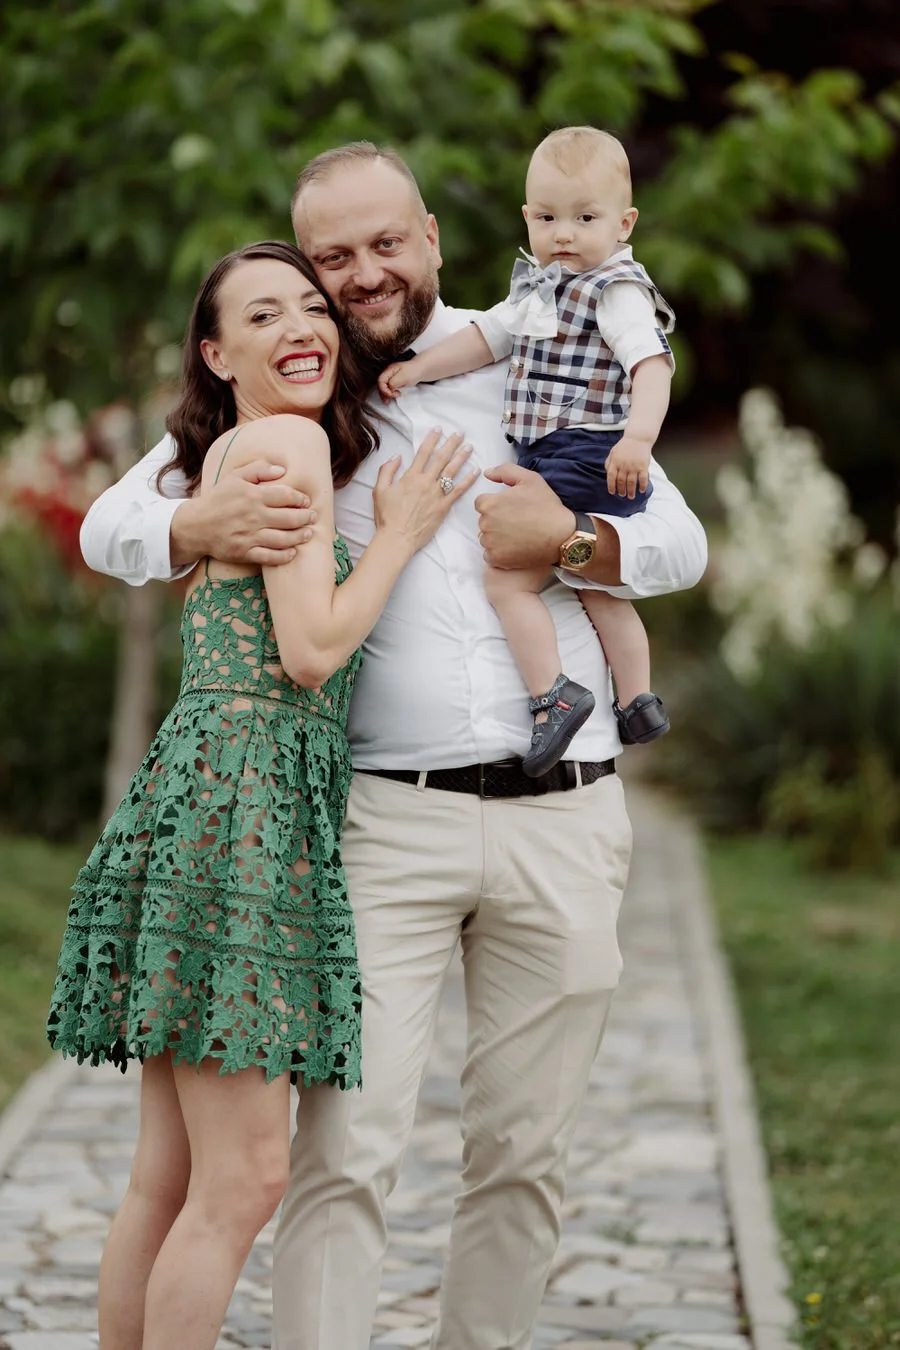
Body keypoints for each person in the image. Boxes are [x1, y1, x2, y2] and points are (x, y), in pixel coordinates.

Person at [79, 143, 707, 1350]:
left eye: (385, 244)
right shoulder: (298, 393)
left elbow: (678, 542)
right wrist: (195, 522)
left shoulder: (538, 345)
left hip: (565, 816)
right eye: (333, 256)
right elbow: (114, 523)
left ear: (431, 237)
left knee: (523, 1155)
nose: (364, 273)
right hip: (385, 820)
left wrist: (572, 544)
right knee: (345, 1152)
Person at [47, 239, 474, 1350]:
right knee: (242, 1181)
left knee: (169, 1176)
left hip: (203, 793)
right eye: (264, 316)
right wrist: (401, 537)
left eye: (312, 309)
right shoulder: (286, 441)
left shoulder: (237, 449)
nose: (301, 329)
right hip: (244, 807)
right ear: (216, 354)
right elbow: (312, 650)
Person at [379, 126, 674, 776]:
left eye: (585, 218)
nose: (563, 234)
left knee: (507, 581)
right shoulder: (542, 286)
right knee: (596, 588)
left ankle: (554, 697)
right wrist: (420, 368)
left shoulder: (614, 290)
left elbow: (651, 364)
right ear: (527, 217)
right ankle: (637, 700)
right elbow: (487, 338)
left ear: (624, 223)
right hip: (558, 455)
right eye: (547, 218)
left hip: (587, 452)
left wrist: (639, 439)